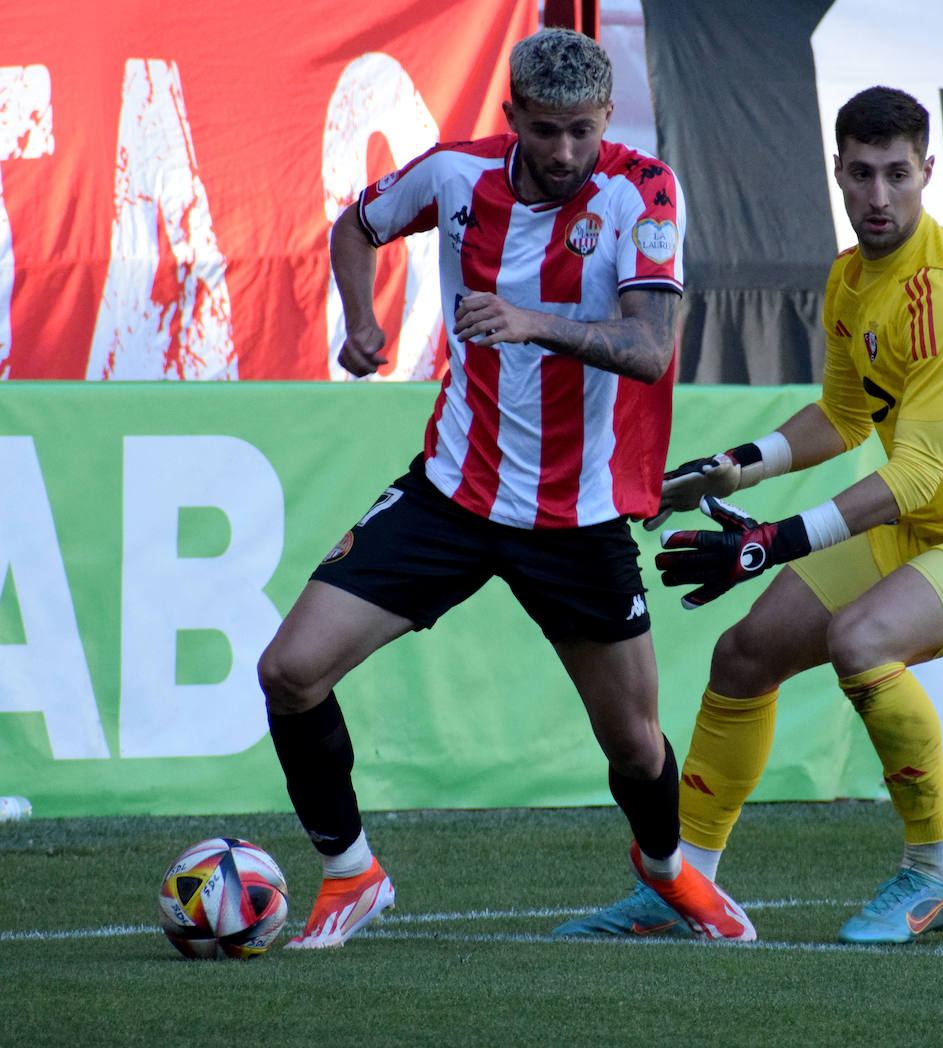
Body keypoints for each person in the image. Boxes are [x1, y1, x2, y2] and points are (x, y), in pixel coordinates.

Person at [555, 85, 943, 944]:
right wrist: (732, 472)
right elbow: (844, 419)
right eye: (861, 175)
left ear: (928, 173)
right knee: (744, 655)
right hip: (935, 521)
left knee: (863, 640)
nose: (878, 198)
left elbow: (913, 476)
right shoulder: (851, 276)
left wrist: (775, 543)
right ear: (835, 172)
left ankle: (934, 879)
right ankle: (682, 889)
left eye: (897, 176)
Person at [257, 27, 755, 949]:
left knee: (636, 747)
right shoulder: (455, 177)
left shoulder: (642, 192)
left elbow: (649, 350)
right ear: (511, 117)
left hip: (580, 517)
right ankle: (350, 871)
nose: (565, 152)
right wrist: (360, 321)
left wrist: (534, 322)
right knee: (288, 673)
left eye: (582, 130)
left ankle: (664, 872)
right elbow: (355, 225)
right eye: (545, 130)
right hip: (453, 493)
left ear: (607, 118)